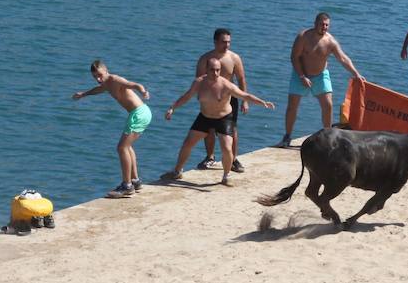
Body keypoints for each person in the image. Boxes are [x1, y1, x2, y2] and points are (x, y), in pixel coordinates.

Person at [161, 58, 274, 186]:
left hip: (224, 118)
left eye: (218, 70)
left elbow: (244, 95)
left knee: (226, 148)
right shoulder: (199, 82)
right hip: (205, 117)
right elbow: (186, 96)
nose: (215, 73)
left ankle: (226, 176)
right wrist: (173, 108)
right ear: (206, 70)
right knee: (187, 143)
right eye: (212, 70)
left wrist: (262, 102)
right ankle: (177, 171)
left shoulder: (226, 85)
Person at [278, 12, 364, 148]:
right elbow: (294, 57)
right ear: (315, 24)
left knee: (328, 105)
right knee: (292, 106)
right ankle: (287, 137)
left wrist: (356, 74)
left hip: (320, 76)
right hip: (300, 74)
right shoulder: (303, 37)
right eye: (322, 24)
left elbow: (343, 58)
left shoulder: (330, 41)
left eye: (326, 25)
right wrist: (302, 76)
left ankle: (328, 136)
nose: (324, 27)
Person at [71, 60, 151, 198]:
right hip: (139, 113)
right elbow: (99, 89)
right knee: (127, 147)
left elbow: (134, 84)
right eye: (95, 77)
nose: (98, 79)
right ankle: (135, 181)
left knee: (121, 148)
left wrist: (143, 91)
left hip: (139, 113)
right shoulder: (106, 84)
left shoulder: (114, 79)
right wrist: (84, 94)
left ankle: (127, 186)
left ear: (106, 70)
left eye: (100, 75)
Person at [193, 28, 250, 174]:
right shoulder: (205, 59)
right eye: (224, 42)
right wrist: (200, 96)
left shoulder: (234, 58)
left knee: (232, 129)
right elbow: (198, 80)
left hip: (229, 98)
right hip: (210, 97)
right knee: (209, 128)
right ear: (215, 42)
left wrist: (245, 100)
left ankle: (233, 159)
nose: (227, 45)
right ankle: (210, 157)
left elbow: (241, 79)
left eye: (229, 42)